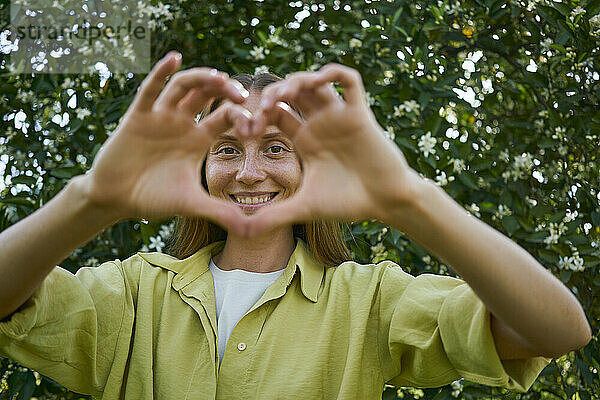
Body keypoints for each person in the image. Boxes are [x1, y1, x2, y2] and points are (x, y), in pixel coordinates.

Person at [0, 51, 591, 399]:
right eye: (227, 149)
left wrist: (408, 199)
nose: (250, 172)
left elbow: (557, 331)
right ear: (201, 167)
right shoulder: (135, 292)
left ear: (313, 170)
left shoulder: (368, 300)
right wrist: (94, 199)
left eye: (277, 150)